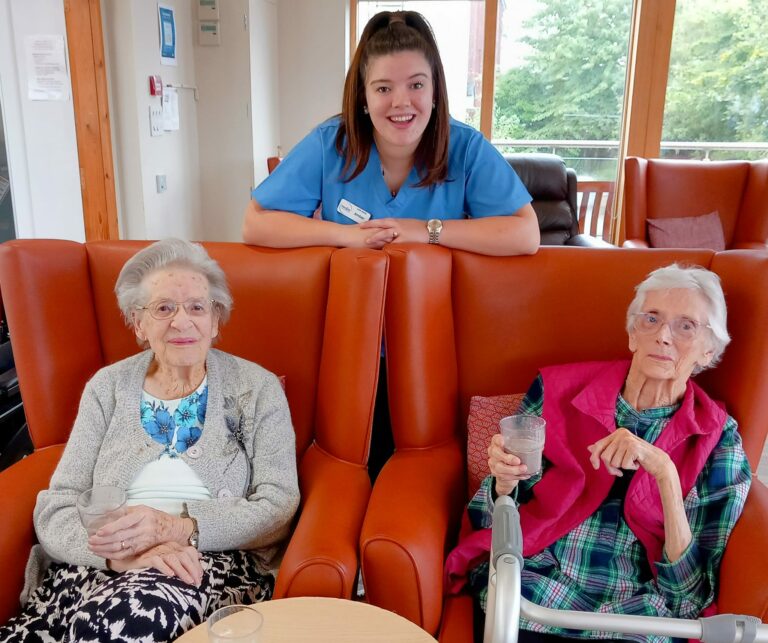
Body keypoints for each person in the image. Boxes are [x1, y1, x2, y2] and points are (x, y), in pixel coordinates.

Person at [0, 239, 300, 643]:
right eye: (163, 308)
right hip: (98, 567)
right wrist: (118, 557)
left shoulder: (257, 388)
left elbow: (278, 505)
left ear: (215, 320)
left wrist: (177, 529)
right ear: (138, 323)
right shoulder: (107, 387)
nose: (182, 322)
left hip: (204, 564)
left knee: (116, 623)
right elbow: (56, 507)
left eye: (197, 307)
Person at [445, 264, 752, 643]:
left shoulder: (719, 438)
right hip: (540, 584)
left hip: (641, 609)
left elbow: (688, 594)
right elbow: (496, 517)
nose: (663, 337)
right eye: (651, 319)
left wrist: (665, 474)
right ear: (631, 335)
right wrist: (503, 482)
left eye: (686, 326)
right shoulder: (555, 390)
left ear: (709, 352)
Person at [242, 10, 540, 257]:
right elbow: (256, 223)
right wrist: (348, 235)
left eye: (417, 85)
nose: (401, 102)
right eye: (383, 88)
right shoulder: (330, 143)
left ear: (435, 91)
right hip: (350, 306)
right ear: (364, 97)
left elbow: (526, 233)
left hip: (437, 310)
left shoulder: (466, 147)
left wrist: (427, 231)